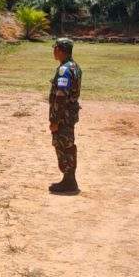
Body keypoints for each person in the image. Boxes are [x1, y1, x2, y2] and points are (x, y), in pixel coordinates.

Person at [49, 38, 82, 195]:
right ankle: (69, 179)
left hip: (64, 115)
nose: (53, 51)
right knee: (67, 145)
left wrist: (55, 120)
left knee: (64, 146)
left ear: (59, 49)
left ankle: (69, 181)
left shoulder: (65, 70)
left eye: (55, 48)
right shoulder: (74, 67)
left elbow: (61, 96)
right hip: (69, 114)